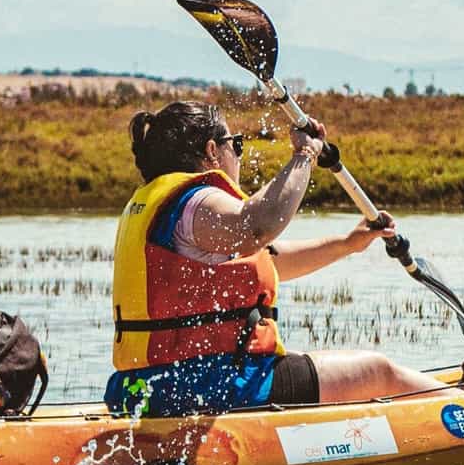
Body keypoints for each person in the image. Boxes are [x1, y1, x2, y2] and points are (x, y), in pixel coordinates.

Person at [108, 101, 442, 418]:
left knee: (342, 367)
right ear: (212, 150)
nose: (238, 155)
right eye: (234, 145)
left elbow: (267, 260)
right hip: (215, 386)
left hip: (149, 388)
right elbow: (257, 228)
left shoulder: (159, 205)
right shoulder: (197, 200)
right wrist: (304, 155)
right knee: (376, 371)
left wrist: (347, 244)